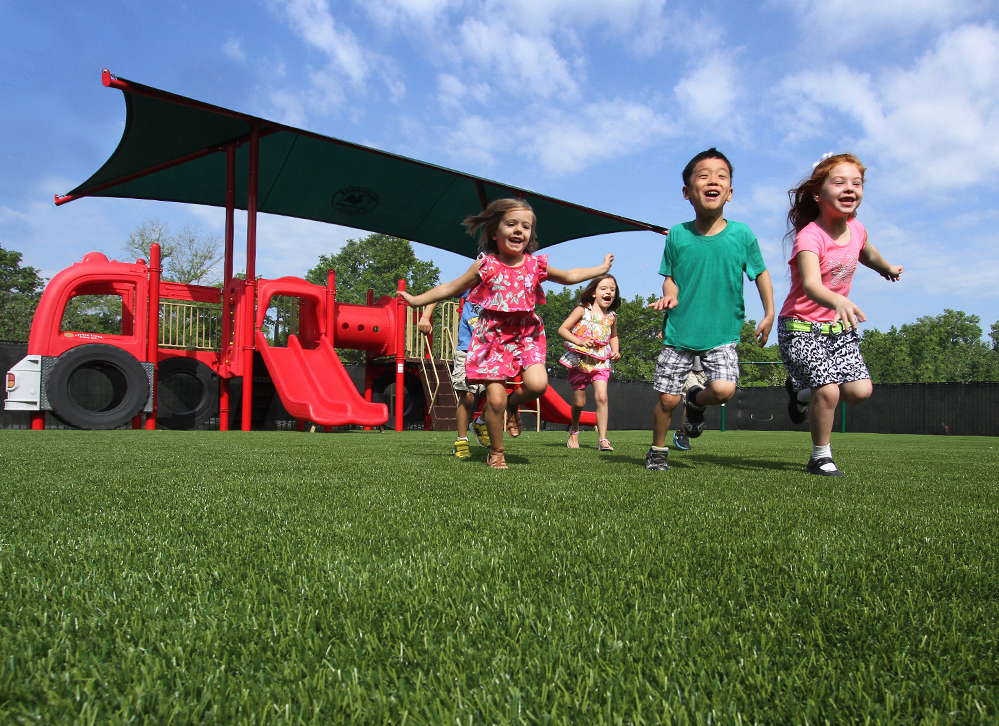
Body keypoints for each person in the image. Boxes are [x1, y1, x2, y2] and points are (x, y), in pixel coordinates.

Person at [400, 198, 614, 469]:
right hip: (493, 336)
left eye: (525, 227)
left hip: (526, 334)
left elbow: (569, 275)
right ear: (493, 231)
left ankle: (514, 406)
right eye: (511, 224)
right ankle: (497, 451)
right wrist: (418, 301)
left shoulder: (534, 265)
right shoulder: (486, 265)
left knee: (537, 385)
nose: (518, 231)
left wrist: (599, 269)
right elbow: (451, 287)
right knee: (495, 399)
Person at [646, 148, 775, 471]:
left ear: (730, 192)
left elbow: (760, 273)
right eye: (703, 175)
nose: (712, 180)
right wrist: (669, 296)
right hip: (680, 330)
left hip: (722, 332)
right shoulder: (678, 234)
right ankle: (658, 450)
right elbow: (670, 278)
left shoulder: (742, 234)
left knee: (723, 389)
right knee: (666, 399)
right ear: (687, 192)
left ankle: (696, 402)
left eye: (721, 176)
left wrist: (769, 312)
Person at [778, 153, 902, 476]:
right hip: (800, 328)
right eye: (840, 182)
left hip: (837, 329)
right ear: (818, 194)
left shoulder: (857, 229)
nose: (850, 188)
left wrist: (885, 267)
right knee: (829, 390)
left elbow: (867, 251)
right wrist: (838, 301)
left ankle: (799, 392)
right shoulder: (810, 237)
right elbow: (810, 285)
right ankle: (820, 456)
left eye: (856, 183)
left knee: (860, 391)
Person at [417, 300, 489, 459]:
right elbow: (439, 293)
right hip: (467, 350)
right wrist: (426, 316)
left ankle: (480, 423)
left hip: (490, 351)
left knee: (495, 397)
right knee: (467, 396)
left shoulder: (500, 289)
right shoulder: (470, 286)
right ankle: (461, 441)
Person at [557, 274, 621, 451]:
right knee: (579, 403)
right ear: (593, 293)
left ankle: (603, 439)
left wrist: (615, 350)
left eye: (612, 289)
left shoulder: (612, 317)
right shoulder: (581, 310)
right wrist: (579, 342)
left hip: (601, 361)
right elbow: (562, 329)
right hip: (579, 361)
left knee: (602, 397)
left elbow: (613, 336)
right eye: (604, 288)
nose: (608, 292)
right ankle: (574, 431)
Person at [672, 355, 706, 451]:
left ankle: (685, 429)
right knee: (692, 398)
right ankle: (682, 433)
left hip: (705, 368)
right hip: (687, 365)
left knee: (700, 402)